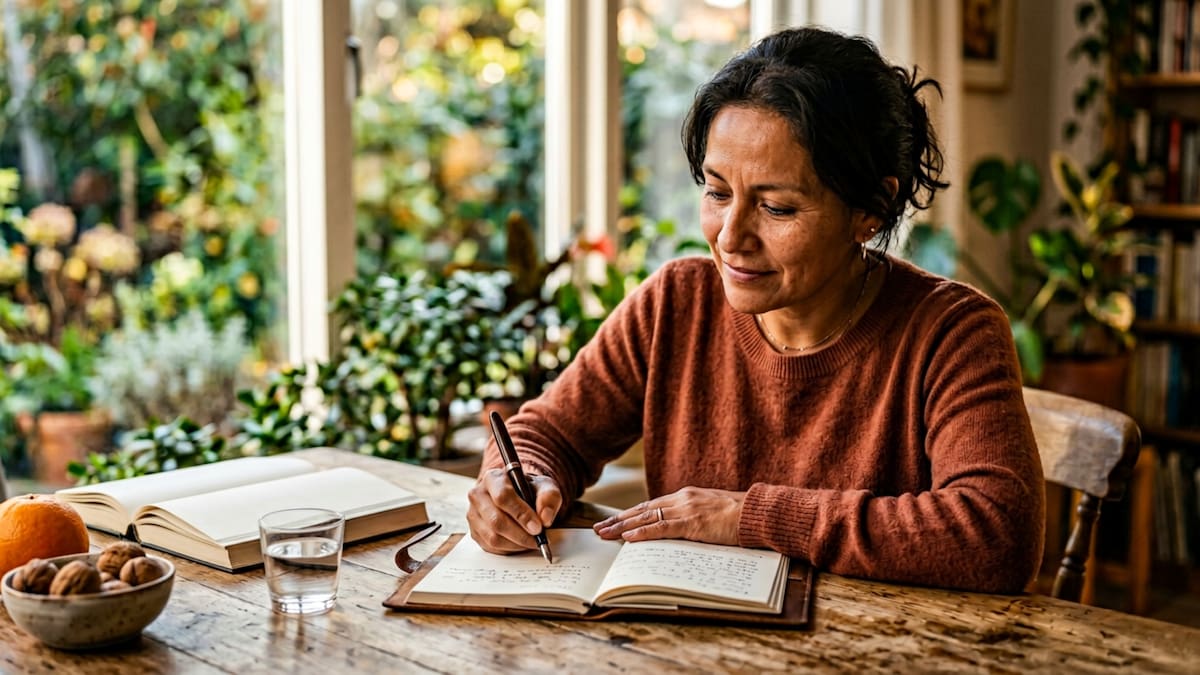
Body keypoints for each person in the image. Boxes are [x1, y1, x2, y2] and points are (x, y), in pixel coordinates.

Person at [467, 26, 1044, 594]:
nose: (730, 237)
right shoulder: (676, 304)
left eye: (776, 207)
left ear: (872, 207)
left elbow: (996, 533)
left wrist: (749, 518)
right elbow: (548, 434)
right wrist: (516, 482)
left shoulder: (952, 332)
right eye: (718, 193)